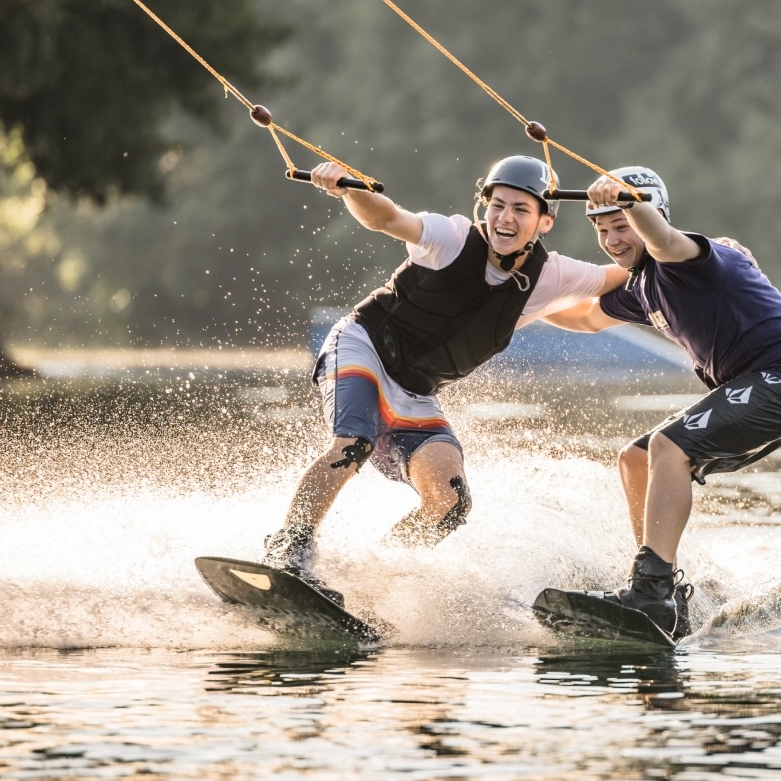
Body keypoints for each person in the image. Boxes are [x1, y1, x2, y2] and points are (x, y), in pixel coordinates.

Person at [266, 156, 627, 601]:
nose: (505, 218)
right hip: (362, 346)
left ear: (545, 221)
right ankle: (289, 550)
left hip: (414, 393)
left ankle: (374, 580)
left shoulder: (551, 277)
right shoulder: (451, 236)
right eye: (498, 205)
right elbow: (386, 218)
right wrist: (350, 188)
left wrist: (699, 254)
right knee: (352, 443)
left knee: (451, 503)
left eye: (520, 209)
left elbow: (629, 270)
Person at [542, 166, 781, 638]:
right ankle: (662, 592)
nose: (614, 240)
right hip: (759, 385)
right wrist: (517, 297)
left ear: (650, 216)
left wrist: (633, 205)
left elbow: (664, 241)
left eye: (623, 226)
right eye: (603, 230)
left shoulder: (690, 258)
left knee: (667, 447)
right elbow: (586, 319)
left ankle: (650, 592)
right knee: (636, 458)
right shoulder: (642, 286)